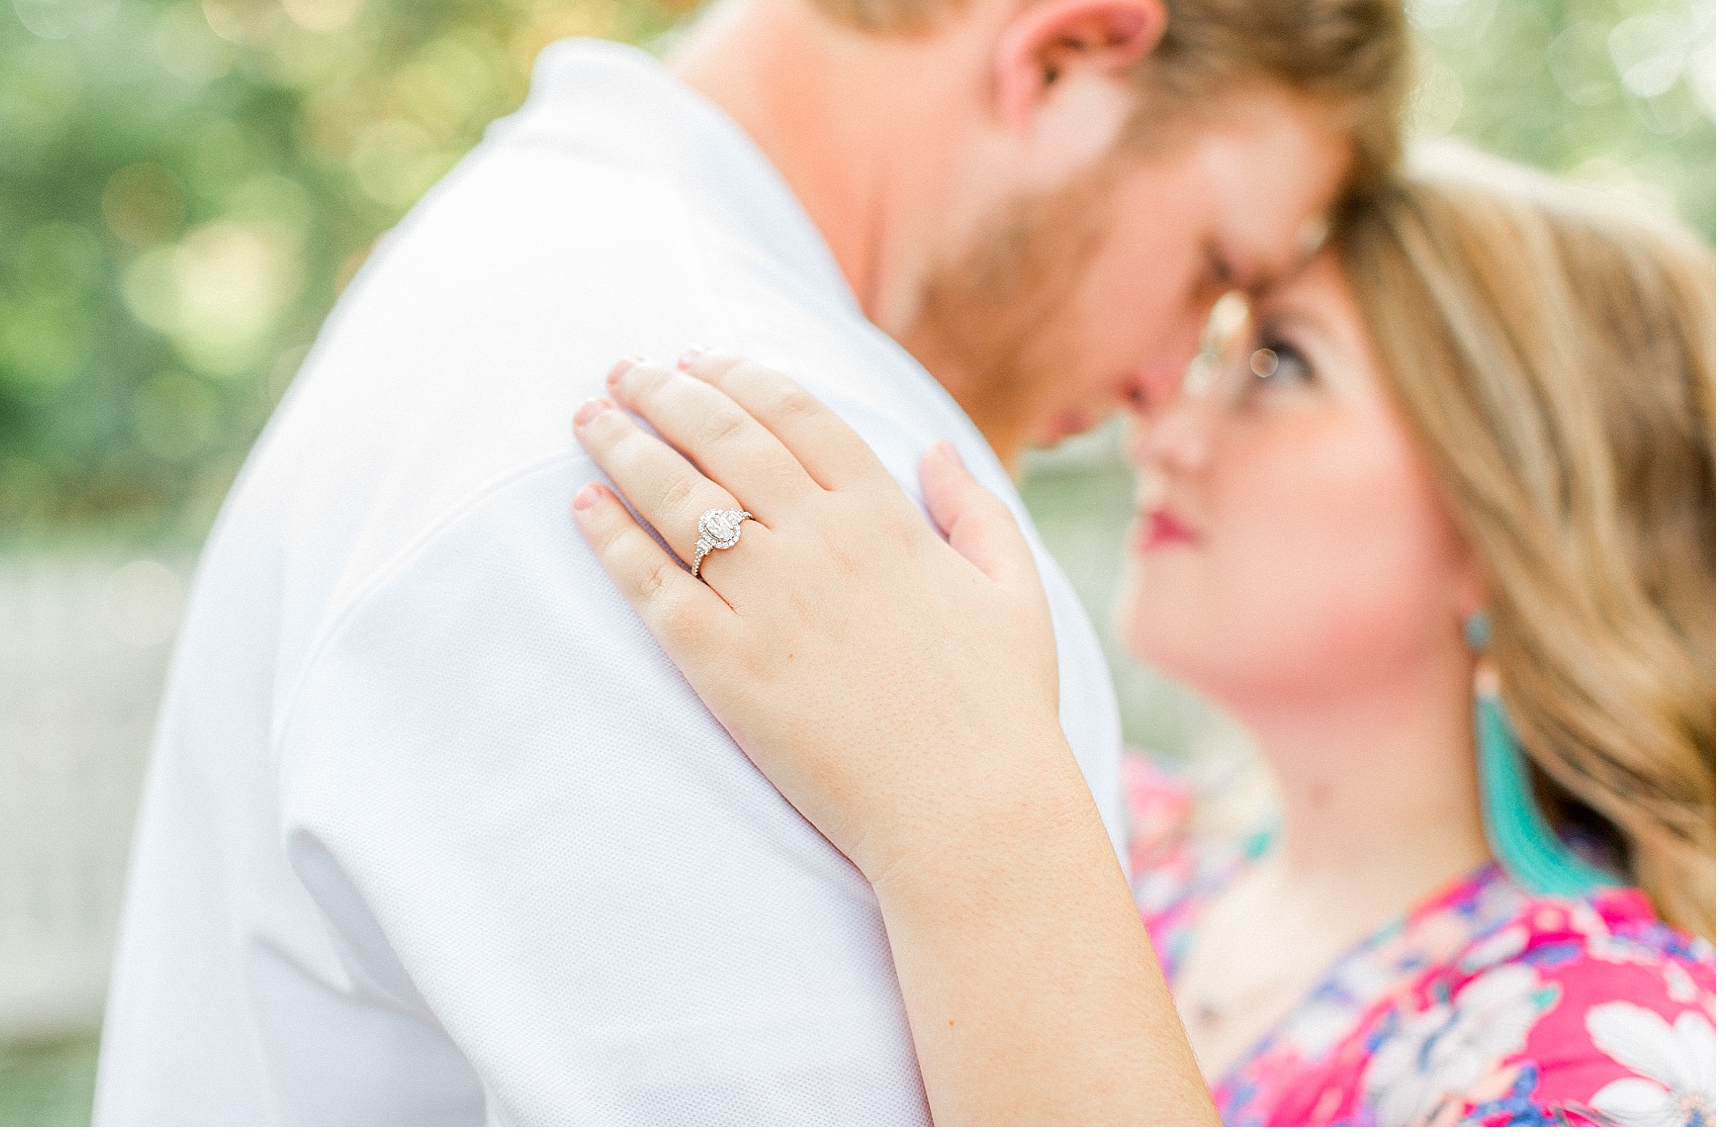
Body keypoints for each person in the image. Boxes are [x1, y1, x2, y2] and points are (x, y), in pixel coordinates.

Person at [93, 0, 1408, 1125]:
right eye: (1212, 270)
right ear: (1065, 61)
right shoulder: (783, 460)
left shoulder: (516, 285)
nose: (1167, 381)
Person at [569, 146, 1716, 1125]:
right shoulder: (1138, 834)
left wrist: (970, 798)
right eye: (1217, 351)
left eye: (1279, 364)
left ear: (1509, 522)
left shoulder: (1611, 1050)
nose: (1159, 426)